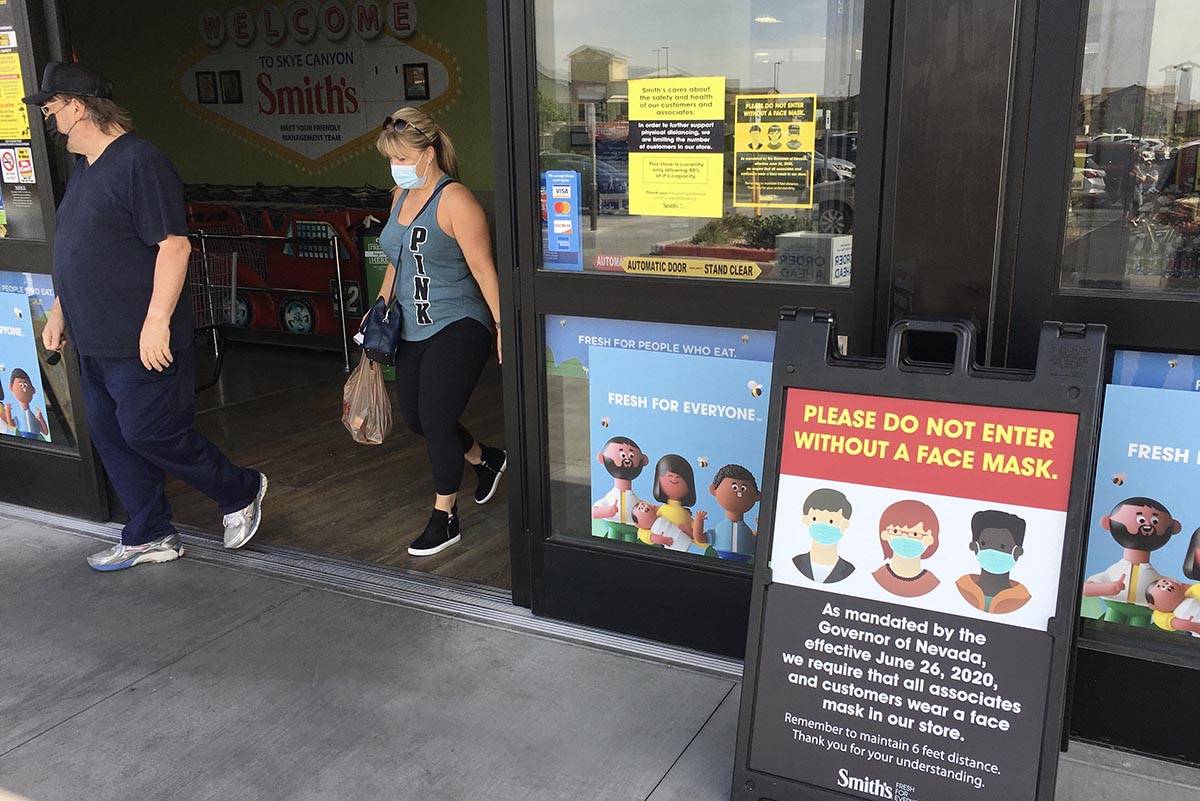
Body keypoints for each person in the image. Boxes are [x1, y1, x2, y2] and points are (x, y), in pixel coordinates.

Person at [25, 61, 267, 570]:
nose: (48, 121)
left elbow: (174, 247)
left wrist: (156, 321)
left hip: (143, 340)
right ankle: (149, 533)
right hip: (95, 339)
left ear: (76, 105)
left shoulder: (140, 162)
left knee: (149, 432)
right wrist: (60, 312)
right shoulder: (85, 168)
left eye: (50, 109)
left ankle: (240, 489)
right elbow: (80, 249)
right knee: (113, 438)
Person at [374, 107, 505, 557]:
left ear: (428, 154)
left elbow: (484, 270)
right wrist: (379, 306)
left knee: (435, 417)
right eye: (391, 158)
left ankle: (445, 517)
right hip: (411, 326)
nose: (396, 166)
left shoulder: (456, 201)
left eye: (401, 157)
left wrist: (502, 326)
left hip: (459, 322)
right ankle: (485, 459)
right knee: (416, 418)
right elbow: (395, 258)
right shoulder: (398, 196)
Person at [956, 509, 1031, 614]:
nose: (994, 551)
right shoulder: (962, 587)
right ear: (973, 546)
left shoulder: (1021, 599)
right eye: (984, 544)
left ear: (1018, 552)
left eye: (1003, 547)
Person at [872, 500, 940, 597]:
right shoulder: (878, 576)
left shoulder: (932, 582)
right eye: (896, 531)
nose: (905, 537)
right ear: (885, 534)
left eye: (915, 534)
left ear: (930, 539)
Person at [793, 487, 855, 584]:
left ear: (845, 525)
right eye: (815, 519)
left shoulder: (849, 570)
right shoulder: (796, 562)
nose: (823, 526)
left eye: (831, 521)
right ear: (806, 520)